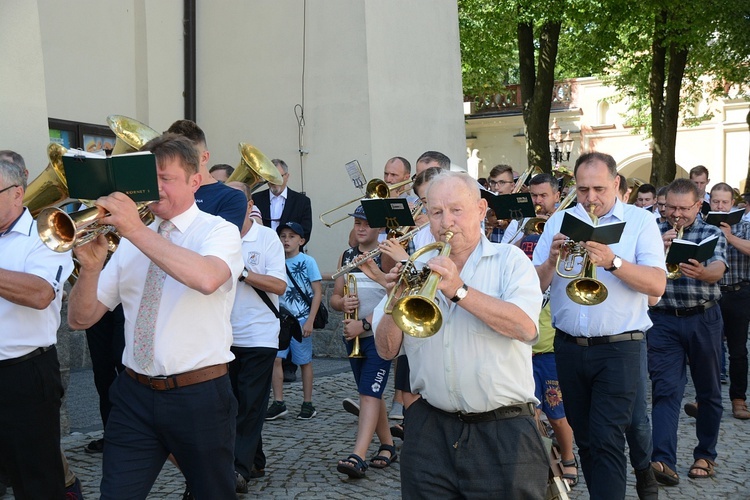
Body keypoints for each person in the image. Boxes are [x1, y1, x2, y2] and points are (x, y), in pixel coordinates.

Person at [67, 134, 243, 499]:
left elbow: (207, 278)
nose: (155, 188)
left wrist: (133, 229)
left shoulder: (218, 230)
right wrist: (91, 268)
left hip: (199, 394)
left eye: (167, 178)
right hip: (134, 393)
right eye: (151, 178)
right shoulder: (132, 239)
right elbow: (80, 319)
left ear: (195, 180)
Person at [374, 171, 549, 498]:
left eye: (456, 210)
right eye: (436, 212)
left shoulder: (509, 261)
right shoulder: (416, 266)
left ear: (482, 210)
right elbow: (385, 350)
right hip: (429, 428)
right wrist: (395, 300)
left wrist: (459, 290)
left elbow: (525, 327)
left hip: (503, 430)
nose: (445, 222)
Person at [533, 152, 666, 499]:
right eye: (582, 189)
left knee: (607, 437)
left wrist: (614, 261)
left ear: (617, 184)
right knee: (587, 439)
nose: (590, 198)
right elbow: (534, 287)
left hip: (621, 345)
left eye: (599, 188)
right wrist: (550, 260)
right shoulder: (558, 222)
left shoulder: (640, 222)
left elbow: (656, 285)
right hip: (568, 346)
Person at [0, 159, 74, 499]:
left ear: (18, 194)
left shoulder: (47, 235)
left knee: (37, 482)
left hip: (24, 374)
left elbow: (41, 293)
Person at [647, 178, 726, 485]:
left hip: (703, 318)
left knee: (708, 391)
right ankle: (662, 460)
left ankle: (706, 455)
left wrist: (704, 273)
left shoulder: (711, 231)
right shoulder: (653, 231)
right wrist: (657, 249)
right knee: (666, 390)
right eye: (671, 208)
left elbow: (719, 268)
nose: (676, 215)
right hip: (663, 319)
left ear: (698, 204)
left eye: (683, 209)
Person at [226, 182, 287, 492]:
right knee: (233, 402)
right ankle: (256, 459)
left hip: (259, 335)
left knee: (249, 404)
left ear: (250, 204)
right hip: (223, 335)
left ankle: (238, 469)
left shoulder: (266, 237)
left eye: (237, 200)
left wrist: (245, 273)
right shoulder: (217, 234)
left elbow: (279, 285)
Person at [332, 206, 396, 478]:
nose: (360, 228)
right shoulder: (346, 255)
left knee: (368, 393)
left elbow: (394, 296)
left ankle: (358, 455)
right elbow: (334, 298)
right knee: (372, 391)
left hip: (378, 336)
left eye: (366, 224)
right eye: (357, 223)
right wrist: (342, 302)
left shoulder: (387, 258)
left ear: (379, 229)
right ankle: (388, 445)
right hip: (353, 335)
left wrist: (365, 323)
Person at [265, 222, 322, 420]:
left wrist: (310, 320)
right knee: (276, 359)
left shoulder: (308, 261)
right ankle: (279, 402)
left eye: (291, 236)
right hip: (280, 320)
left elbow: (317, 292)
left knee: (304, 361)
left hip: (301, 318)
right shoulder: (275, 260)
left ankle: (308, 403)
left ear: (301, 240)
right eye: (283, 236)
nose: (286, 240)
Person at [707, 183, 750, 420]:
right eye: (716, 202)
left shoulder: (744, 226)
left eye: (724, 202)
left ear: (732, 203)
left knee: (738, 351)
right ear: (710, 202)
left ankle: (738, 400)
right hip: (711, 293)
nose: (720, 206)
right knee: (708, 350)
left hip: (739, 293)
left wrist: (729, 237)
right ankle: (705, 399)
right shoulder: (703, 226)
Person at [166, 119, 247, 230]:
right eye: (173, 157)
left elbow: (217, 241)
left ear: (204, 158)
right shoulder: (165, 190)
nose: (178, 163)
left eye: (187, 157)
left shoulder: (231, 198)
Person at [253, 158, 313, 242]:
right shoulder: (255, 199)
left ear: (287, 176)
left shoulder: (302, 201)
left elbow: (305, 232)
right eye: (271, 177)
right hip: (264, 250)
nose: (274, 181)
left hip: (290, 253)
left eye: (278, 176)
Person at [502, 173, 560, 246]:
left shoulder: (563, 221)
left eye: (543, 195)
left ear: (557, 197)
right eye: (534, 195)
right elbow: (504, 253)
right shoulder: (518, 221)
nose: (538, 200)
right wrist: (525, 237)